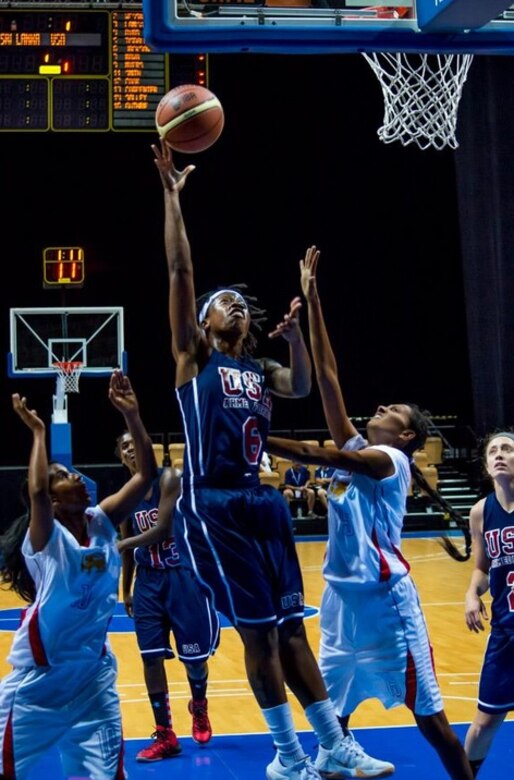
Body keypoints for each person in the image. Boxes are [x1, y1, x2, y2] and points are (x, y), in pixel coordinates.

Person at [151, 139, 388, 780]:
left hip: (264, 504)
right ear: (201, 325)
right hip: (214, 505)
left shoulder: (258, 367)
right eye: (222, 301)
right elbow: (180, 274)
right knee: (259, 635)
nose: (236, 306)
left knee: (292, 631)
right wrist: (172, 199)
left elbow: (304, 387)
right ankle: (287, 757)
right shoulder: (193, 360)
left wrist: (300, 325)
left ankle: (333, 745)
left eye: (238, 303)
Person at [266, 246, 474, 780]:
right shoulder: (367, 447)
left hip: (386, 605)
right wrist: (313, 304)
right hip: (339, 602)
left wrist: (246, 432)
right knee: (332, 724)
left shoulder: (391, 460)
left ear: (406, 434)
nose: (378, 410)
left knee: (432, 724)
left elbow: (323, 454)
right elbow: (330, 380)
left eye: (390, 412)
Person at [0, 371, 155, 780]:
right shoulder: (47, 541)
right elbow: (35, 493)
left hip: (92, 679)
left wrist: (133, 417)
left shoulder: (101, 521)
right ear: (52, 499)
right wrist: (37, 432)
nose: (79, 478)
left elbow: (145, 478)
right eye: (67, 477)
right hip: (38, 685)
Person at [116, 431, 220, 762]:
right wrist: (126, 589)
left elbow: (163, 528)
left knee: (195, 661)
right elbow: (128, 547)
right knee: (150, 657)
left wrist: (123, 544)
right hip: (148, 582)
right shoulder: (125, 496)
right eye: (125, 447)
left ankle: (199, 704)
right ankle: (165, 734)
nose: (132, 449)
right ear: (121, 457)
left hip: (183, 578)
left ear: (150, 448)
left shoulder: (171, 478)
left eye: (136, 443)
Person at [463, 431, 514, 777]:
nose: (499, 454)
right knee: (484, 723)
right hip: (505, 634)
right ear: (485, 464)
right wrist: (471, 594)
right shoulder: (480, 512)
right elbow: (482, 568)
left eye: (508, 448)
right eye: (493, 450)